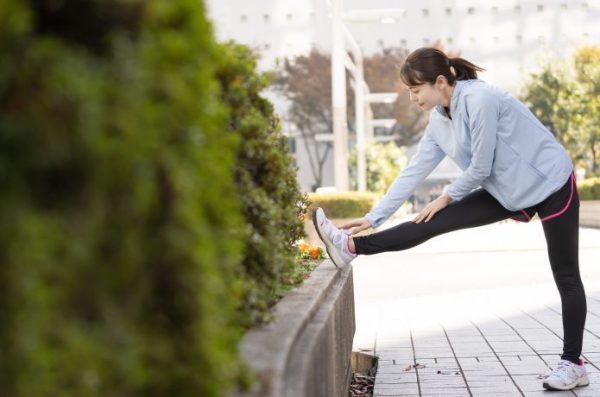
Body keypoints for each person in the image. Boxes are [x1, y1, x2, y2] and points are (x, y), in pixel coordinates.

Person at [313, 47, 588, 392]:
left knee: (565, 274)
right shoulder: (439, 122)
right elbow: (414, 171)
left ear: (440, 82)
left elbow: (482, 166)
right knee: (433, 221)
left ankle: (572, 363)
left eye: (416, 90)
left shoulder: (480, 100)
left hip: (550, 182)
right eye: (410, 91)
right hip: (507, 191)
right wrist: (373, 217)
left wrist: (447, 196)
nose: (413, 98)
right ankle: (352, 246)